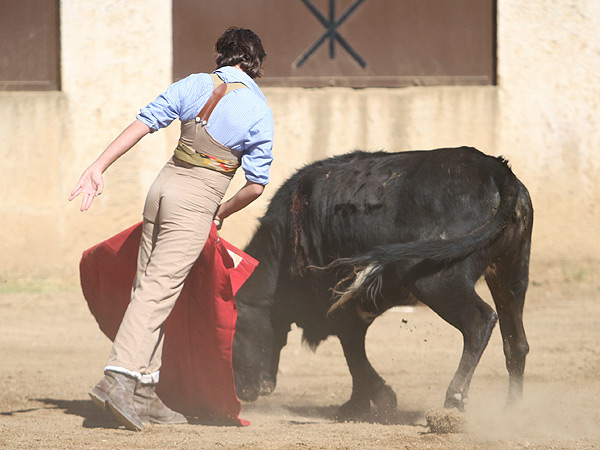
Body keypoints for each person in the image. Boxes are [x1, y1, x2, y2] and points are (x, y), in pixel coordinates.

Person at [69, 27, 274, 431]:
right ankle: (119, 377)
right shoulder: (258, 109)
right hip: (197, 200)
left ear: (221, 54)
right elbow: (255, 184)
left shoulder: (195, 84)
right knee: (157, 289)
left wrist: (97, 166)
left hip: (161, 190)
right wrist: (222, 211)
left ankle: (145, 389)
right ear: (257, 64)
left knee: (147, 284)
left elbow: (144, 123)